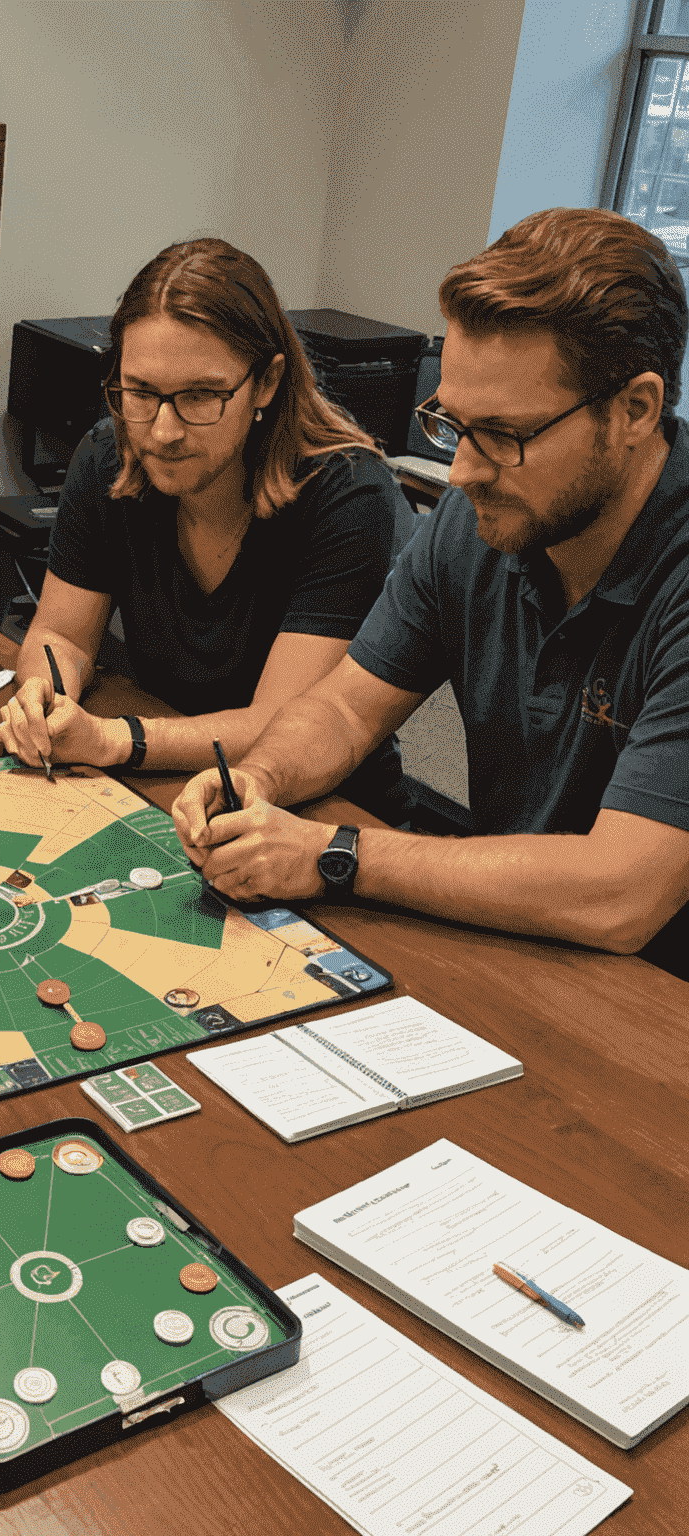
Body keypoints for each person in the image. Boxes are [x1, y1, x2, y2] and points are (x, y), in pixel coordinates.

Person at [173, 208, 689, 980]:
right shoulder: (483, 516)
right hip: (516, 945)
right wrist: (263, 777)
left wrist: (338, 855)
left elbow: (622, 893)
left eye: (506, 435)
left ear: (636, 411)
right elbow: (348, 706)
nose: (464, 473)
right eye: (453, 424)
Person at [0, 237, 409, 819]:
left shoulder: (347, 494)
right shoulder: (110, 454)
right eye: (139, 392)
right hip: (171, 772)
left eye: (199, 397)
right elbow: (61, 636)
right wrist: (44, 695)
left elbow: (277, 724)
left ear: (265, 383)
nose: (162, 431)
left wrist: (114, 740)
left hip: (320, 808)